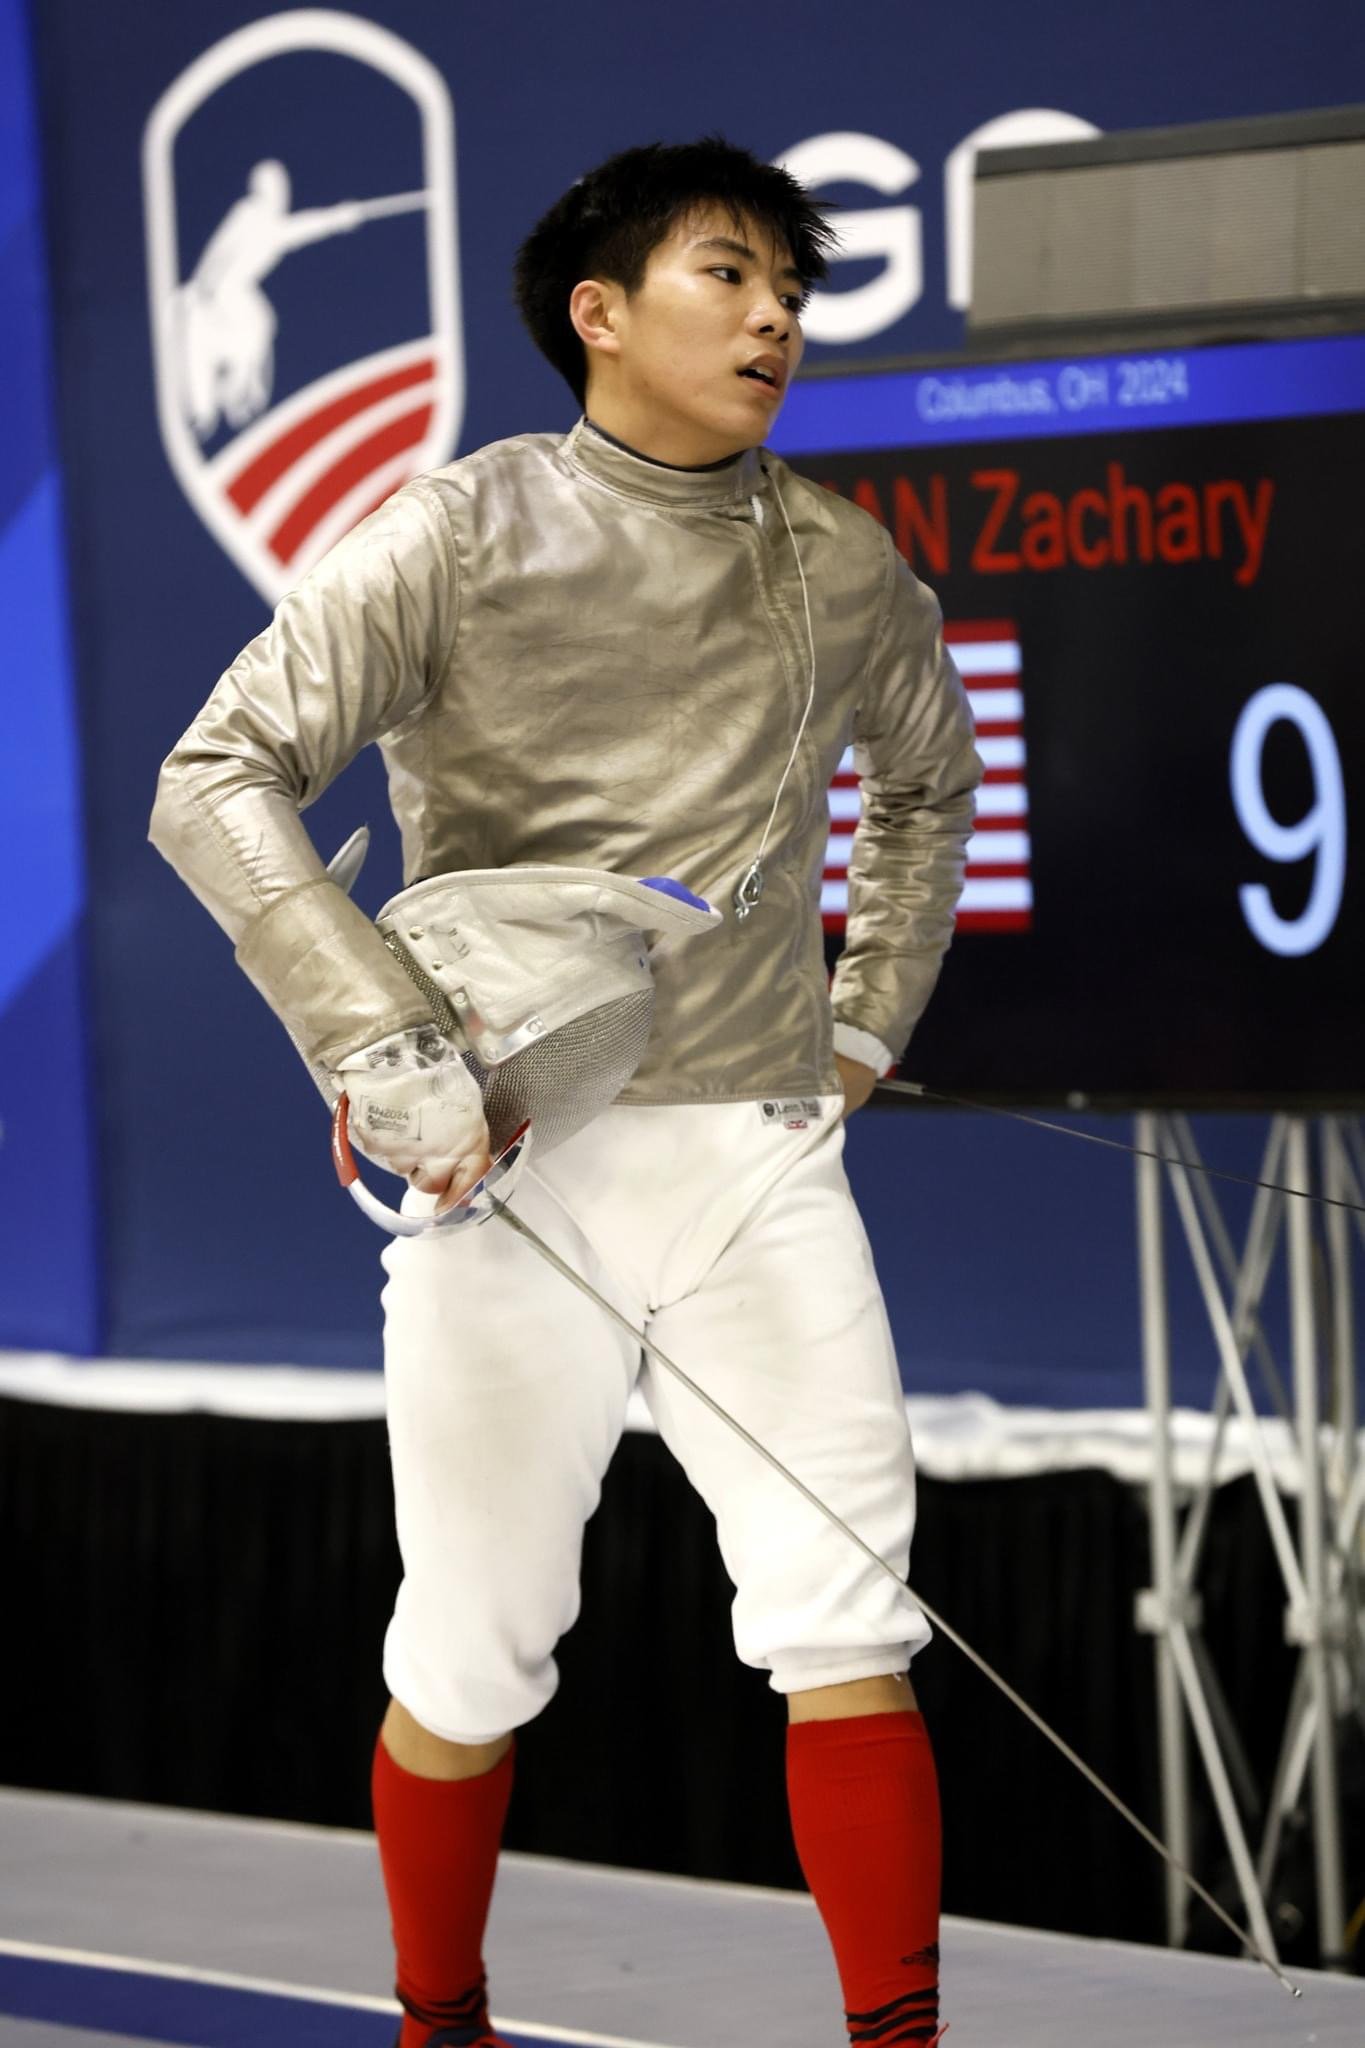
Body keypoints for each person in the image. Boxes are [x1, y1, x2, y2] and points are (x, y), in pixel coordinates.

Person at [150, 137, 981, 2048]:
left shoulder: (841, 560)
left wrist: (862, 1023)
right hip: (511, 1164)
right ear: (599, 313)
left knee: (846, 1619)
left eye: (791, 287)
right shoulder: (456, 532)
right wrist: (378, 1041)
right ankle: (438, 2024)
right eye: (727, 274)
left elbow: (929, 786)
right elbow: (215, 775)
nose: (774, 318)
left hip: (755, 1155)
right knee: (470, 1648)